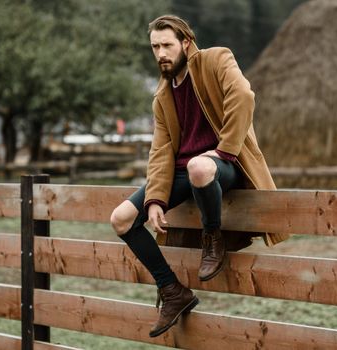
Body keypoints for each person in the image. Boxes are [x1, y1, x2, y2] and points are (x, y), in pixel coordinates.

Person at [110, 15, 289, 338]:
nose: (161, 53)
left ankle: (212, 237)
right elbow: (161, 150)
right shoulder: (162, 96)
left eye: (167, 45)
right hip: (183, 170)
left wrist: (224, 151)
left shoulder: (216, 59)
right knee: (121, 219)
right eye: (155, 47)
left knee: (200, 166)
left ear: (186, 43)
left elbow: (244, 97)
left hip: (225, 165)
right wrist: (155, 199)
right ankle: (172, 290)